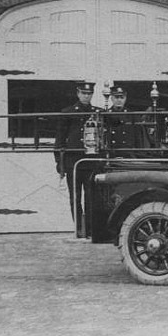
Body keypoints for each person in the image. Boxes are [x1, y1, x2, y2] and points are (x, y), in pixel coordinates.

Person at [54, 81, 103, 235]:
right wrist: (59, 163)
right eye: (83, 93)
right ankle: (79, 229)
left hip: (91, 161)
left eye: (89, 94)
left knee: (91, 197)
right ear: (78, 94)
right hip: (73, 162)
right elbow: (60, 140)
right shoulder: (68, 112)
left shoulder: (98, 113)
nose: (86, 96)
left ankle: (90, 228)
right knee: (75, 197)